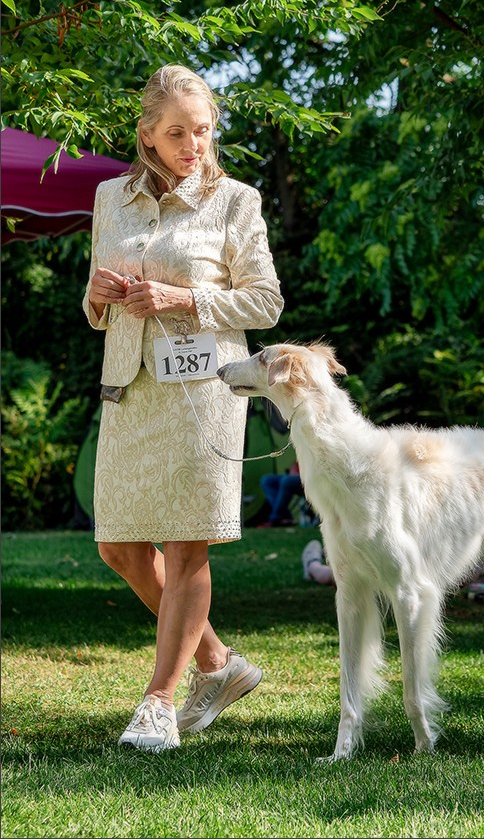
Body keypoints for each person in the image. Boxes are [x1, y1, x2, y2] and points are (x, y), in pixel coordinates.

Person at [83, 63, 283, 752]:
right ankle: (218, 665)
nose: (192, 145)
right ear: (147, 134)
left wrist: (183, 299)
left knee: (186, 543)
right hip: (130, 391)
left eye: (202, 130)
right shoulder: (110, 198)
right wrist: (99, 297)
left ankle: (159, 704)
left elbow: (265, 302)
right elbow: (96, 306)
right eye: (176, 133)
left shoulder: (235, 201)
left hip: (203, 396)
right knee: (118, 547)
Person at [258, 462, 303, 527]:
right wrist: (292, 472)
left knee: (286, 480)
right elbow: (296, 462)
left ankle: (275, 519)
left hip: (309, 479)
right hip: (295, 477)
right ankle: (284, 516)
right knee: (266, 481)